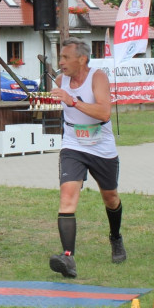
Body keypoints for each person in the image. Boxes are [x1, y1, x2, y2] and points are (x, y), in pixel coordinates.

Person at [47, 37, 125, 278]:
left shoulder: (97, 77)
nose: (61, 62)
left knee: (110, 197)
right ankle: (68, 258)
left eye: (65, 57)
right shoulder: (61, 80)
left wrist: (73, 101)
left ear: (82, 59)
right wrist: (44, 100)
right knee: (67, 196)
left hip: (101, 145)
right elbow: (55, 107)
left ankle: (115, 237)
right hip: (73, 144)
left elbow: (103, 113)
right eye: (60, 57)